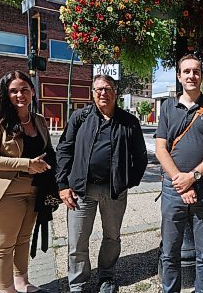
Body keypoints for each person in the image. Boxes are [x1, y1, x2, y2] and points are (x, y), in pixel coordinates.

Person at [56, 75, 148, 293]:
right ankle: (77, 284)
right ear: (92, 93)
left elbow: (140, 156)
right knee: (77, 241)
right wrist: (62, 185)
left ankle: (106, 276)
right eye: (98, 89)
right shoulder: (80, 118)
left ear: (115, 92)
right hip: (81, 190)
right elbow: (64, 150)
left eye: (107, 89)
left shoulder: (129, 121)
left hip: (114, 191)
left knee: (112, 237)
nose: (103, 93)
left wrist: (128, 181)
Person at [155, 54, 203, 293]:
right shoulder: (167, 107)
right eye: (186, 71)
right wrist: (181, 181)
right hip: (173, 189)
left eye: (196, 71)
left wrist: (192, 177)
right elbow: (160, 149)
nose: (191, 76)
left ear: (202, 76)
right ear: (179, 76)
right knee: (169, 252)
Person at [0, 71, 54, 293]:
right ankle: (7, 290)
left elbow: (48, 152)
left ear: (32, 91)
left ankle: (22, 283)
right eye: (14, 91)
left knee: (23, 240)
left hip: (33, 190)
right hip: (4, 194)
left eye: (24, 89)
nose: (20, 94)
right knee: (3, 246)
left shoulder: (38, 120)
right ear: (5, 94)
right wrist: (26, 164)